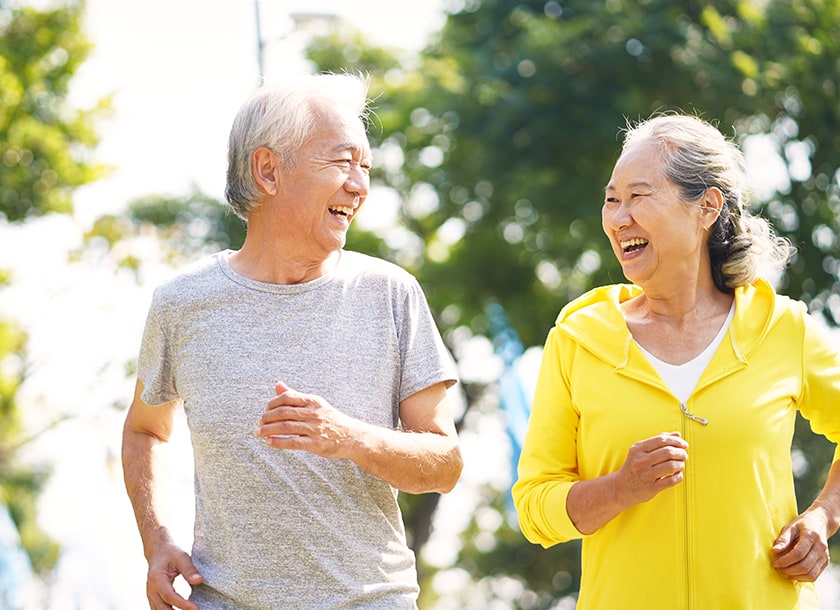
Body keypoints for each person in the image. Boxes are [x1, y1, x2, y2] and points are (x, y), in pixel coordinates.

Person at [122, 73, 463, 610]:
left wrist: (347, 436)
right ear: (268, 170)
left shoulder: (391, 293)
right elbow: (146, 431)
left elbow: (445, 463)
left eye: (365, 167)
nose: (359, 184)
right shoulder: (181, 305)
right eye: (342, 161)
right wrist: (157, 539)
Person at [512, 113, 840, 609]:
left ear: (707, 207)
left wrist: (823, 516)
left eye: (638, 196)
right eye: (611, 199)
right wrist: (621, 488)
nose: (619, 218)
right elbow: (535, 507)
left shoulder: (782, 329)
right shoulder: (579, 339)